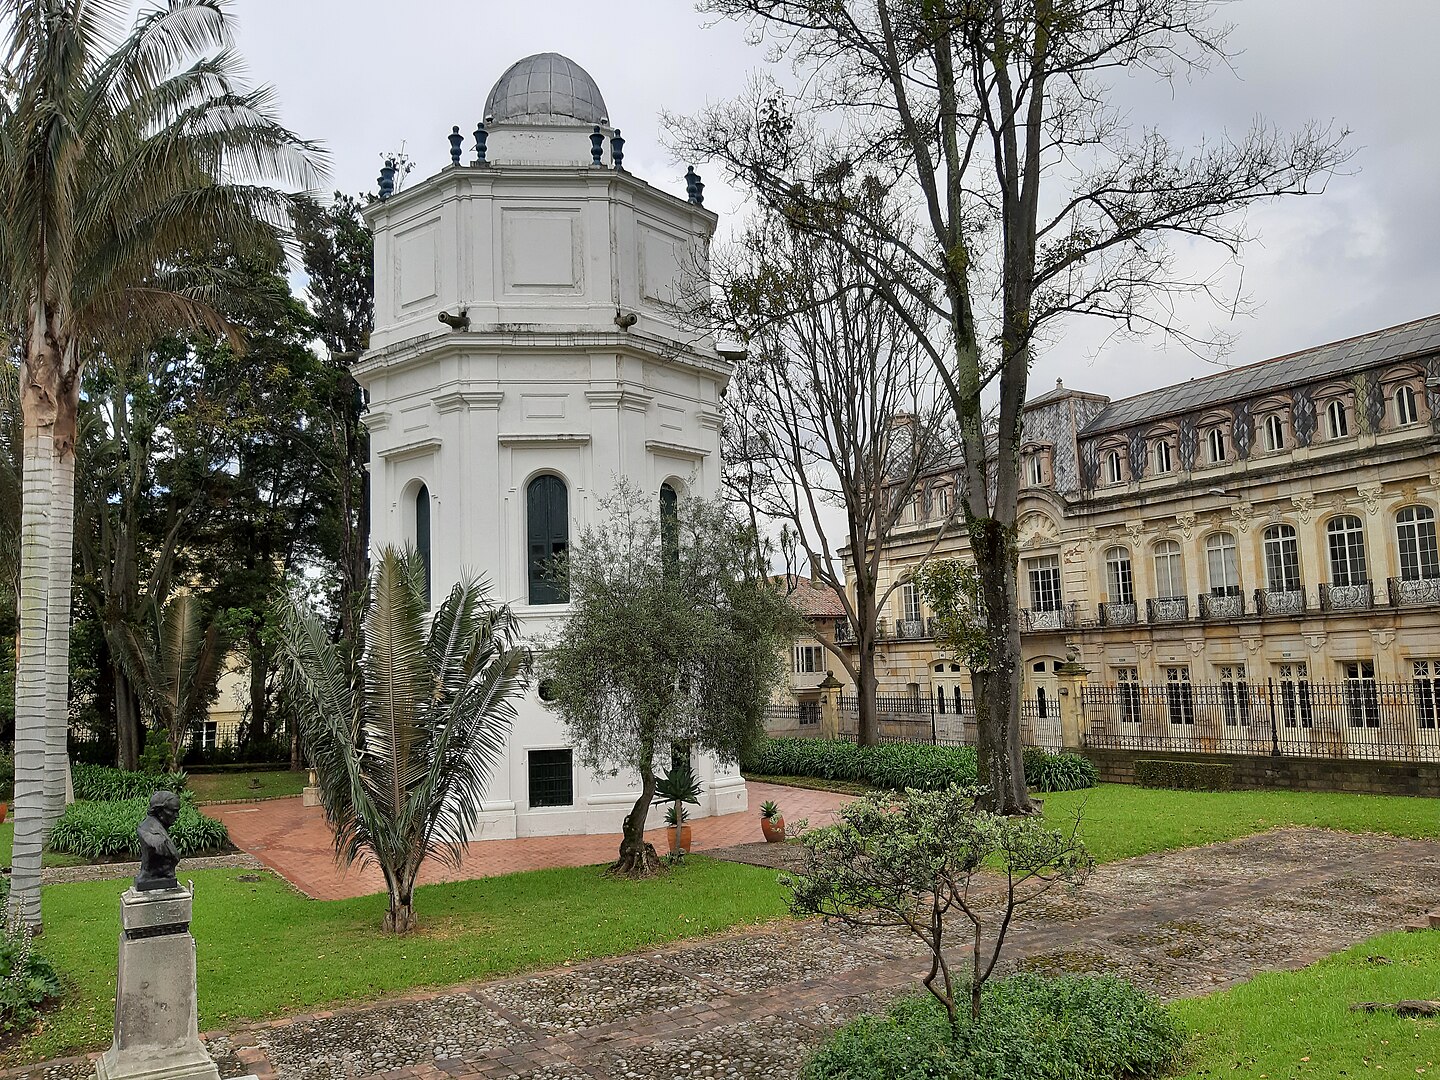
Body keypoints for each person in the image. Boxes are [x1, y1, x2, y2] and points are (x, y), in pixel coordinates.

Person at [134, 790, 182, 892]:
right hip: (149, 878)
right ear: (159, 811)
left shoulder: (156, 828)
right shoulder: (150, 835)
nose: (177, 816)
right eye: (173, 811)